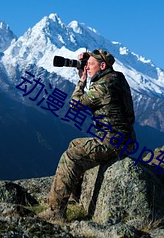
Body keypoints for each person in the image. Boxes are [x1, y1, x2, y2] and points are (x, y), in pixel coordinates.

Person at [38, 49, 136, 221]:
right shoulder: (117, 78)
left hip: (112, 142)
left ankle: (55, 212)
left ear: (103, 66)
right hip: (125, 139)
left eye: (91, 65)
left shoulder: (103, 86)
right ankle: (75, 197)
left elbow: (75, 104)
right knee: (75, 143)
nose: (87, 67)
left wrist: (81, 80)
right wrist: (89, 60)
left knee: (70, 156)